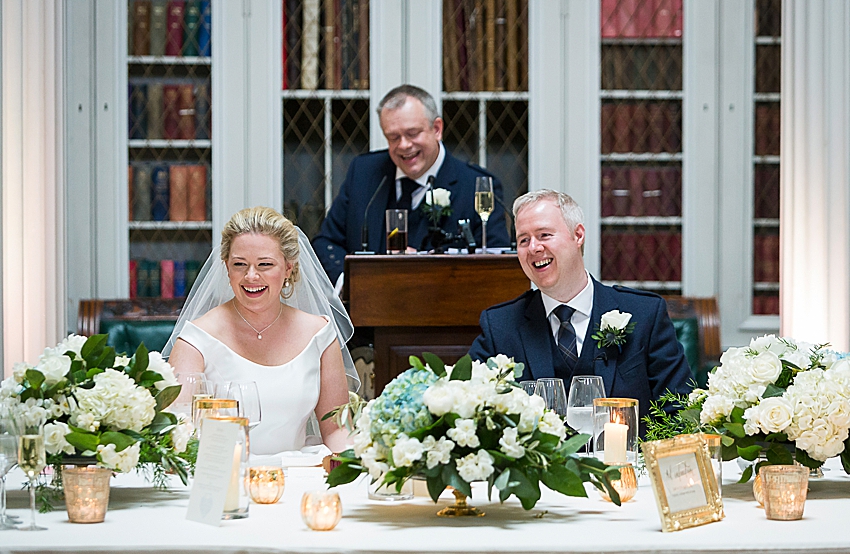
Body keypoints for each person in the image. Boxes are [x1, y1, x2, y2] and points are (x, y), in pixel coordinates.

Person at [468, 189, 692, 423]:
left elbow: (679, 410)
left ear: (578, 235)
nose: (533, 248)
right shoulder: (501, 326)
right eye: (523, 240)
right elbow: (472, 410)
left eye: (544, 235)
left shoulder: (645, 315)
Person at [165, 206, 358, 455]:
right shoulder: (196, 339)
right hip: (224, 478)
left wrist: (355, 472)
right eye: (239, 264)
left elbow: (335, 429)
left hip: (297, 477)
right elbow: (179, 433)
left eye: (265, 264)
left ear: (288, 268)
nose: (251, 276)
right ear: (226, 266)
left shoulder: (319, 334)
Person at [313, 84, 511, 283]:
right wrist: (351, 285)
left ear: (437, 129)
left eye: (412, 133)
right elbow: (326, 243)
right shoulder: (364, 173)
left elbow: (494, 265)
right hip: (367, 308)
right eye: (393, 137)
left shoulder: (476, 185)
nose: (404, 145)